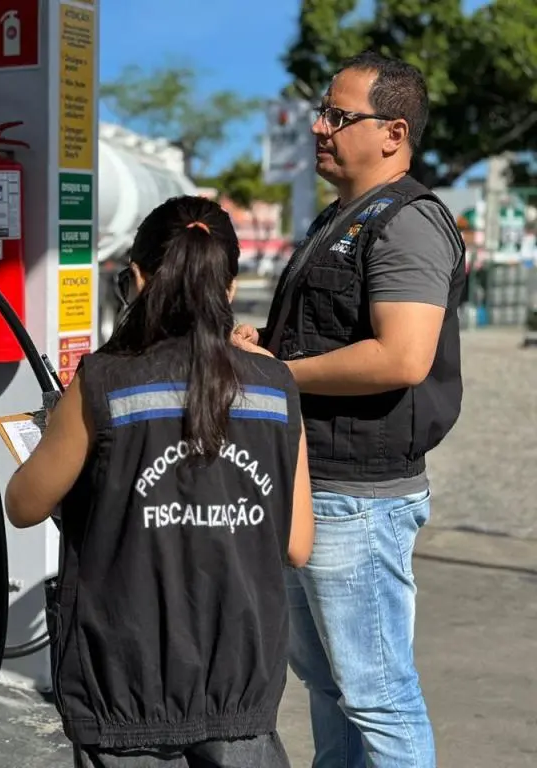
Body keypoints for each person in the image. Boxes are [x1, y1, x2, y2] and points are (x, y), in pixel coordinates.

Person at [5, 195, 314, 768]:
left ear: (138, 278)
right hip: (240, 682)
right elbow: (297, 544)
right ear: (229, 287)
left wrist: (60, 435)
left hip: (126, 682)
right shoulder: (276, 386)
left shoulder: (104, 381)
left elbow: (24, 504)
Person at [233, 51, 466, 768]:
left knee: (377, 695)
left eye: (338, 115)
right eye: (321, 113)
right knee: (331, 687)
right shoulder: (341, 217)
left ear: (393, 133)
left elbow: (402, 357)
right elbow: (328, 335)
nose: (319, 127)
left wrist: (279, 372)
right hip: (314, 483)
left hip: (359, 498)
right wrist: (265, 345)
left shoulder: (407, 222)